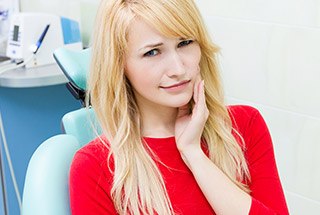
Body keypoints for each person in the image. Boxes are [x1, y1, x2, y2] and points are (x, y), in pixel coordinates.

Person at [69, 0, 289, 214]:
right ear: (119, 66)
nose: (178, 68)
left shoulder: (244, 126)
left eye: (184, 43)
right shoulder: (94, 168)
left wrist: (194, 154)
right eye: (152, 52)